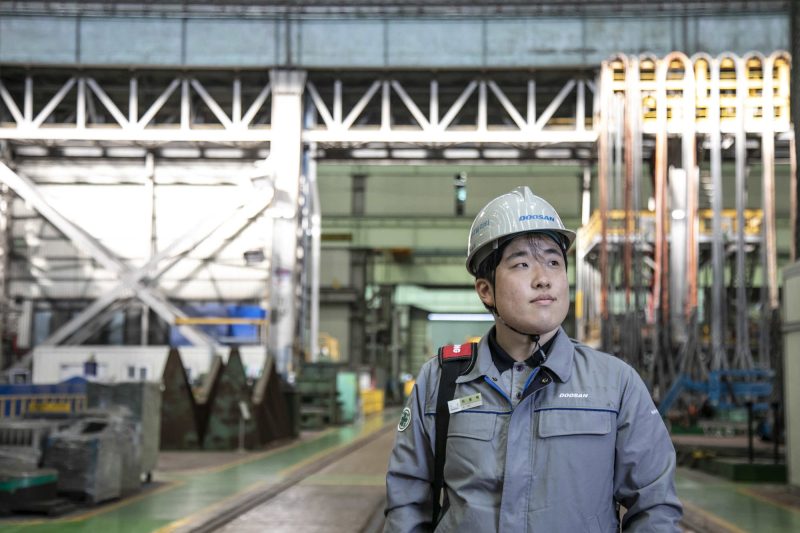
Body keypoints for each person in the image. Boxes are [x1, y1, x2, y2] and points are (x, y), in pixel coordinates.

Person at [384, 186, 682, 532]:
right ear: (486, 290)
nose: (543, 279)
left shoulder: (615, 384)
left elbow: (655, 507)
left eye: (554, 262)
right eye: (521, 264)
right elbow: (406, 503)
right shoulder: (443, 381)